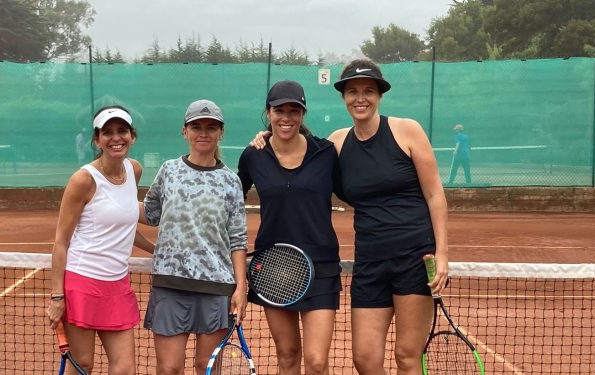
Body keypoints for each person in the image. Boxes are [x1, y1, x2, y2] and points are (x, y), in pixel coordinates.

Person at [328, 58, 449, 374]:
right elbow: (298, 156)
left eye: (369, 90)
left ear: (380, 95)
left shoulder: (407, 131)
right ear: (344, 97)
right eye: (352, 91)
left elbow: (435, 195)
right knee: (365, 360)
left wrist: (443, 254)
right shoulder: (336, 144)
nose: (360, 98)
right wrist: (267, 137)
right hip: (369, 263)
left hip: (414, 259)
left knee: (408, 357)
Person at [237, 80, 341, 375]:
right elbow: (232, 200)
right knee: (287, 354)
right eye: (279, 110)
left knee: (317, 362)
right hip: (274, 266)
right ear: (268, 113)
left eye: (294, 110)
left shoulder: (325, 153)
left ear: (303, 113)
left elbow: (356, 188)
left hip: (321, 266)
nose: (286, 117)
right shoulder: (253, 156)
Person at [141, 99, 248, 375]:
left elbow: (237, 239)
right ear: (184, 131)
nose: (203, 133)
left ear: (220, 132)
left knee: (206, 368)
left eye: (211, 127)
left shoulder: (230, 181)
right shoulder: (169, 171)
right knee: (169, 369)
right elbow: (150, 213)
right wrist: (105, 200)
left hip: (215, 288)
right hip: (170, 284)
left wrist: (240, 288)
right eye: (196, 126)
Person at [47, 105, 155, 375]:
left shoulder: (134, 170)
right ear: (97, 140)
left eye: (122, 131)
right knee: (83, 364)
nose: (116, 138)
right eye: (107, 132)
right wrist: (57, 297)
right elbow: (61, 242)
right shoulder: (83, 180)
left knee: (125, 368)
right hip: (82, 282)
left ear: (132, 136)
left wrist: (157, 250)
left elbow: (124, 226)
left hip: (118, 285)